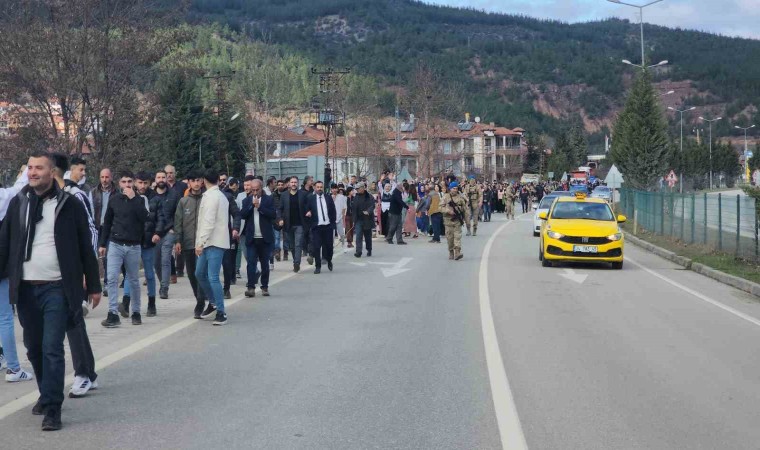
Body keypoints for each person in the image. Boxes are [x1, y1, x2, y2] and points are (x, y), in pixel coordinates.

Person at [0, 151, 101, 431]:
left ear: (52, 171)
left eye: (39, 168)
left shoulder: (69, 204)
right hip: (26, 289)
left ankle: (53, 408)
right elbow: (4, 243)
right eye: (30, 167)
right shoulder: (19, 202)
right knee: (33, 348)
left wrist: (93, 285)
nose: (32, 172)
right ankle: (46, 394)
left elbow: (84, 246)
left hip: (57, 287)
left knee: (52, 348)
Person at [52, 154, 101, 397]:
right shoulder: (38, 199)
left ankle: (82, 373)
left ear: (55, 172)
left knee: (72, 323)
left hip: (70, 273)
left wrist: (85, 270)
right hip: (46, 275)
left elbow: (90, 232)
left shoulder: (75, 196)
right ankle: (88, 373)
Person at [99, 170, 148, 327]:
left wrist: (134, 199)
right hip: (115, 244)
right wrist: (102, 244)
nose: (127, 185)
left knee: (133, 279)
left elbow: (145, 218)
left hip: (133, 246)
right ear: (119, 183)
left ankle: (136, 312)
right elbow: (107, 222)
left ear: (133, 183)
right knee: (112, 278)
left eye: (129, 182)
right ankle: (113, 313)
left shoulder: (140, 200)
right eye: (124, 182)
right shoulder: (114, 200)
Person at [0, 164, 33, 383]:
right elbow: (19, 189)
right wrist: (24, 171)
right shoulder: (3, 197)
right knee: (4, 318)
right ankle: (13, 367)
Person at [195, 169, 230, 326]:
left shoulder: (213, 197)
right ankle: (214, 302)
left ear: (203, 180)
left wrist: (200, 243)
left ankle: (221, 312)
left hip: (214, 242)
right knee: (199, 273)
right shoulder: (218, 195)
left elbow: (208, 222)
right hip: (209, 242)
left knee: (213, 277)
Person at [173, 171, 207, 319]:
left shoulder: (207, 199)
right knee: (192, 274)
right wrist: (178, 240)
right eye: (193, 180)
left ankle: (200, 302)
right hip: (187, 243)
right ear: (189, 183)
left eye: (199, 180)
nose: (196, 183)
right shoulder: (183, 201)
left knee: (201, 273)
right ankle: (199, 298)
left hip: (203, 244)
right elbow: (178, 222)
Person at [124, 171, 158, 317]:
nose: (142, 186)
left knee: (149, 274)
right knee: (130, 273)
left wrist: (158, 232)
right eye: (140, 182)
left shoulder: (155, 199)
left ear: (149, 183)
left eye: (145, 183)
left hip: (148, 241)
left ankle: (151, 303)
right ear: (135, 182)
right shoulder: (129, 197)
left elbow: (158, 218)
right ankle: (125, 303)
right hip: (133, 240)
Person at [240, 179, 275, 297]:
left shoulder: (268, 199)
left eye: (257, 190)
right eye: (253, 190)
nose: (255, 192)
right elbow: (242, 215)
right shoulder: (246, 201)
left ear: (261, 188)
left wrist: (260, 207)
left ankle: (264, 287)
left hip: (265, 238)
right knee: (251, 263)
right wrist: (251, 205)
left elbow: (272, 215)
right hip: (252, 238)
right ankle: (251, 287)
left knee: (265, 264)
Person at [159, 165, 188, 292]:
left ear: (175, 174)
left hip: (176, 222)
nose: (169, 175)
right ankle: (171, 273)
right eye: (167, 173)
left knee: (177, 248)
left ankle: (179, 269)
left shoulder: (181, 187)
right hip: (161, 226)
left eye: (171, 173)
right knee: (164, 255)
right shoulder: (158, 189)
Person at [89, 168, 116, 296]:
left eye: (107, 177)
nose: (104, 180)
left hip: (110, 229)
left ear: (111, 178)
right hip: (97, 227)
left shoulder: (117, 193)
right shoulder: (94, 192)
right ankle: (94, 284)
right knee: (94, 257)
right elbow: (90, 210)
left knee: (107, 257)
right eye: (102, 177)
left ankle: (107, 283)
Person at [304, 181, 336, 274]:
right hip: (317, 227)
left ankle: (329, 260)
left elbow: (333, 211)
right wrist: (308, 212)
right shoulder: (310, 198)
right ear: (314, 188)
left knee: (329, 247)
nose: (319, 189)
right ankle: (318, 266)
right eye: (317, 187)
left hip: (328, 226)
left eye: (321, 187)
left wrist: (333, 224)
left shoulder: (328, 198)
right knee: (317, 247)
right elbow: (306, 209)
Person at [277, 176, 308, 273]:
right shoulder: (284, 195)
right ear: (289, 184)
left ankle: (296, 263)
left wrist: (308, 212)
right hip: (288, 224)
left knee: (298, 244)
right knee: (292, 246)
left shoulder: (303, 194)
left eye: (295, 182)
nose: (293, 184)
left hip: (300, 224)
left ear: (298, 183)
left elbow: (307, 206)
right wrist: (280, 219)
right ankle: (295, 260)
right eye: (292, 182)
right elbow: (280, 209)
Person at [222, 181, 241, 299]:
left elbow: (237, 214)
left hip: (226, 235)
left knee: (227, 263)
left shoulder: (227, 197)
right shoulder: (205, 196)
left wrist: (235, 229)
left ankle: (226, 288)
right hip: (209, 236)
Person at [440, 181, 469, 260]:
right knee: (450, 239)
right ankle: (451, 252)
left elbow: (465, 209)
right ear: (450, 189)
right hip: (448, 221)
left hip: (457, 221)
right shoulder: (445, 197)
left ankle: (457, 252)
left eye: (456, 188)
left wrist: (466, 219)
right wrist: (448, 211)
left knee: (457, 237)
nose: (455, 190)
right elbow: (440, 208)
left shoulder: (460, 197)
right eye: (453, 188)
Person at [351, 182, 374, 258]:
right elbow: (354, 209)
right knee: (358, 236)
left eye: (358, 188)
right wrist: (354, 220)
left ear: (362, 188)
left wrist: (368, 211)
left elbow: (372, 205)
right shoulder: (356, 197)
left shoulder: (369, 196)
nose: (357, 190)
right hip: (359, 220)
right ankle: (358, 251)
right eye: (356, 189)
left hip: (367, 219)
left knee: (367, 236)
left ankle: (369, 249)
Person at [331, 183, 347, 250]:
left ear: (337, 189)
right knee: (331, 235)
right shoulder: (329, 197)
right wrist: (333, 199)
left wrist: (343, 217)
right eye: (333, 188)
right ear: (331, 189)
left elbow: (344, 207)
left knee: (341, 233)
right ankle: (332, 247)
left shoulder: (341, 197)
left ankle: (343, 245)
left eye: (335, 188)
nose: (334, 190)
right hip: (331, 219)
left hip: (339, 218)